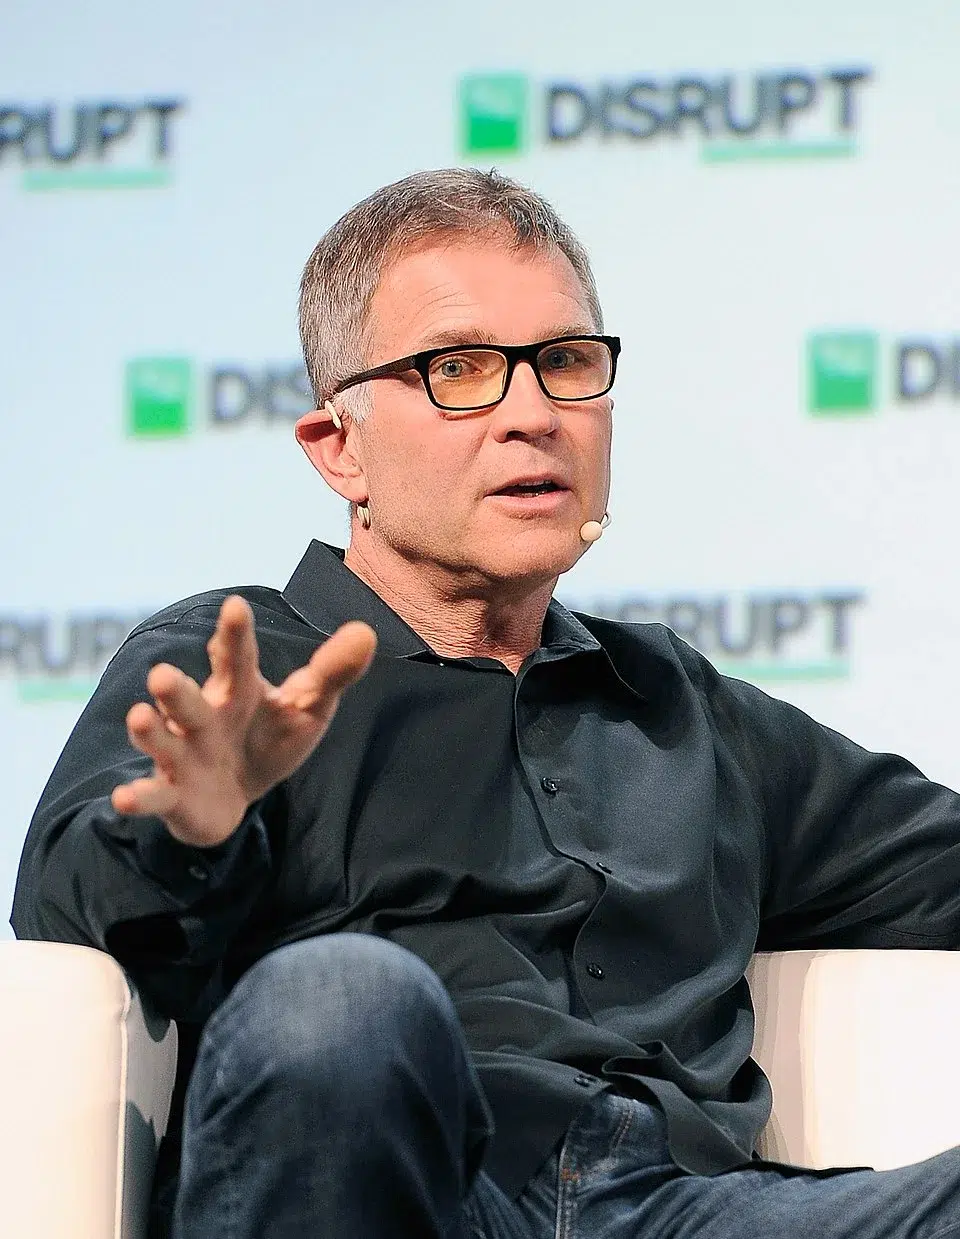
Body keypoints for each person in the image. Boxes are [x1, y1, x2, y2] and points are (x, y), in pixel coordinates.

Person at [11, 167, 960, 1239]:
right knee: (345, 1001)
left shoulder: (680, 709)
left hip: (681, 1210)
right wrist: (196, 827)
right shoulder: (233, 669)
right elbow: (63, 922)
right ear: (340, 449)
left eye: (564, 363)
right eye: (459, 370)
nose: (532, 415)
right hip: (405, 1191)